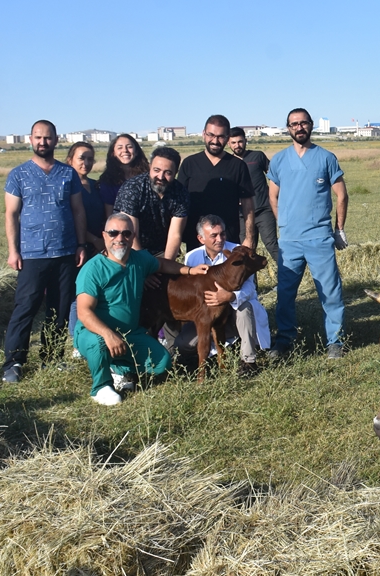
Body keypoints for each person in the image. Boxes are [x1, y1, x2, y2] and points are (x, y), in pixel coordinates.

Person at [74, 213, 208, 406]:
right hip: (93, 331)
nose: (120, 238)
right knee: (99, 342)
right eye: (114, 233)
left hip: (130, 333)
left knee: (162, 363)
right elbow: (84, 312)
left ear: (133, 236)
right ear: (104, 236)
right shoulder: (92, 269)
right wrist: (109, 334)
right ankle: (101, 386)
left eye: (126, 233)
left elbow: (161, 263)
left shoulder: (138, 259)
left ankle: (118, 369)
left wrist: (189, 270)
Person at [1, 120, 87, 383]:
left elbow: (77, 211)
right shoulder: (18, 175)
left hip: (64, 252)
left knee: (59, 309)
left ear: (56, 140)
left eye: (47, 137)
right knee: (25, 308)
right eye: (38, 137)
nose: (42, 142)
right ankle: (13, 363)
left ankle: (52, 358)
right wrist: (13, 250)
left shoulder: (68, 174)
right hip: (31, 254)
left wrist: (81, 244)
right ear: (30, 140)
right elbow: (11, 214)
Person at [267, 108, 349, 360]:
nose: (299, 127)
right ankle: (284, 340)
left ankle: (335, 341)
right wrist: (284, 223)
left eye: (303, 123)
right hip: (290, 240)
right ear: (288, 128)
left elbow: (342, 194)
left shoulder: (325, 158)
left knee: (330, 292)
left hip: (319, 238)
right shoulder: (279, 160)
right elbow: (273, 195)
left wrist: (339, 230)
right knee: (285, 294)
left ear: (311, 125)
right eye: (294, 124)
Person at [168, 215, 271, 376]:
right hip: (207, 315)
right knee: (183, 343)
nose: (220, 239)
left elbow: (251, 288)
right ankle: (203, 359)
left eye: (222, 234)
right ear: (201, 238)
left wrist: (230, 296)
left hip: (234, 311)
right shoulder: (192, 257)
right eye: (214, 235)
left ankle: (248, 362)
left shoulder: (239, 252)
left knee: (245, 308)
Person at [176, 115, 257, 253]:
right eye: (211, 135)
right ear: (203, 134)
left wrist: (249, 237)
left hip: (228, 238)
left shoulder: (237, 166)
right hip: (196, 240)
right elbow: (178, 203)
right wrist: (176, 238)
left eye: (220, 136)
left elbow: (247, 205)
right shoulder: (190, 164)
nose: (215, 141)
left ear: (227, 138)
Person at [65, 141, 107, 347]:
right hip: (80, 245)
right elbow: (73, 218)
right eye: (82, 158)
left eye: (90, 159)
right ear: (70, 160)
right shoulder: (67, 186)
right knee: (78, 293)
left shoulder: (95, 185)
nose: (86, 163)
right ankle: (76, 339)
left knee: (96, 291)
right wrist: (93, 240)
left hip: (99, 246)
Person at [112, 146, 189, 257]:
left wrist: (167, 267)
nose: (160, 177)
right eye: (156, 170)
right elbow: (131, 234)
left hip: (161, 250)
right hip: (128, 249)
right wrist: (145, 266)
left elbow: (175, 235)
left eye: (168, 172)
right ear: (149, 167)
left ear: (176, 172)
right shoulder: (133, 188)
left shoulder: (181, 192)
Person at [228, 126, 279, 264]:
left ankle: (288, 279)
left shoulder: (258, 156)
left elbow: (274, 177)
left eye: (240, 141)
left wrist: (276, 197)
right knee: (246, 250)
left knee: (271, 245)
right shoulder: (227, 163)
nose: (237, 145)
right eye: (233, 142)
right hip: (242, 215)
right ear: (228, 143)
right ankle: (251, 285)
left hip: (264, 210)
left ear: (245, 141)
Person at [98, 134, 150, 218]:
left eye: (129, 147)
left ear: (136, 152)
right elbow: (110, 214)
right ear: (113, 153)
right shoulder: (108, 180)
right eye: (119, 148)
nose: (125, 150)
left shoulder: (148, 176)